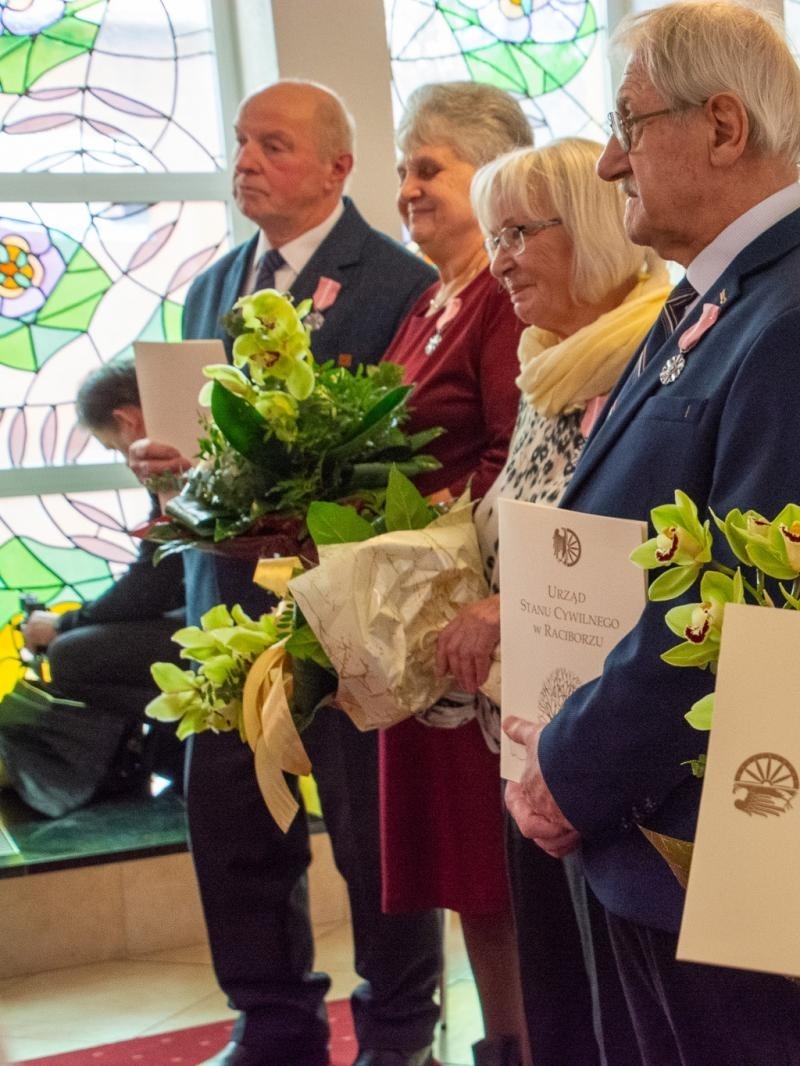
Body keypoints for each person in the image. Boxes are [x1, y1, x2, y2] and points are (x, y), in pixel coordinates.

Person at [499, 3, 800, 1063]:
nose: (606, 161)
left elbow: (736, 618)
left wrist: (575, 764)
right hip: (644, 832)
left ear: (724, 128)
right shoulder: (715, 302)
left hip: (719, 844)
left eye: (629, 124)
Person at [129, 80, 441, 1066]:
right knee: (232, 828)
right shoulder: (212, 285)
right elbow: (205, 442)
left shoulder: (399, 282)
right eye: (241, 143)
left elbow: (410, 448)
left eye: (274, 145)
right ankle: (273, 1023)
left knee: (370, 837)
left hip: (341, 602)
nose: (248, 161)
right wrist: (165, 469)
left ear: (339, 168)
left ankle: (397, 1030)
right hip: (226, 604)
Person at [434, 136, 669, 1066]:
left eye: (523, 232)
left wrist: (511, 604)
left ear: (600, 227)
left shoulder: (649, 359)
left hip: (615, 742)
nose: (501, 259)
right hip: (530, 723)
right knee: (562, 1000)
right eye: (495, 236)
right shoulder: (550, 363)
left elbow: (641, 552)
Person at [376, 82, 529, 1066]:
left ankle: (523, 1044)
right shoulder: (429, 298)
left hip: (473, 620)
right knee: (461, 876)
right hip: (421, 620)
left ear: (493, 174)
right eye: (403, 170)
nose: (407, 190)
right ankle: (498, 1041)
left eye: (428, 168)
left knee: (492, 874)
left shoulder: (500, 298)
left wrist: (431, 546)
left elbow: (518, 456)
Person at [1, 356, 186, 816]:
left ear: (127, 420)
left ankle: (179, 744)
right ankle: (168, 748)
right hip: (201, 609)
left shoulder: (169, 454)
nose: (123, 460)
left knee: (71, 656)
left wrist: (65, 624)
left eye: (112, 447)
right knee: (81, 645)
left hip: (214, 617)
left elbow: (153, 582)